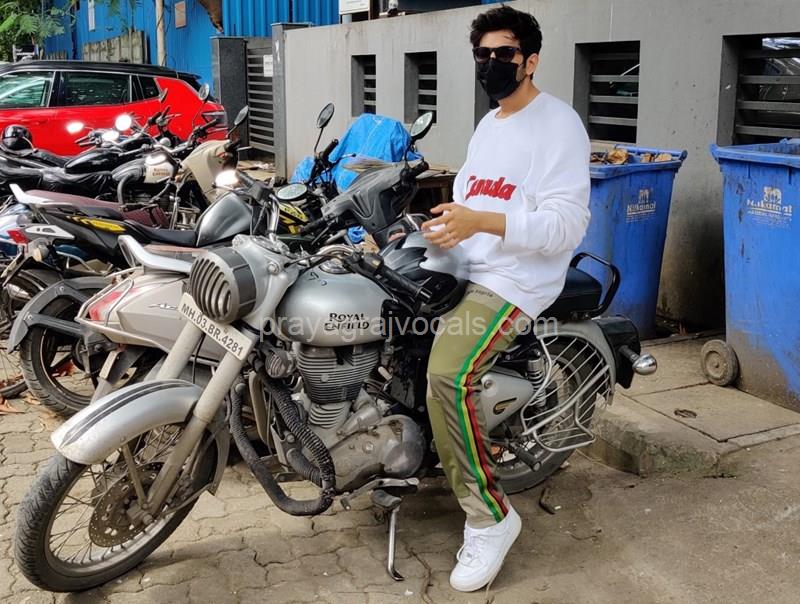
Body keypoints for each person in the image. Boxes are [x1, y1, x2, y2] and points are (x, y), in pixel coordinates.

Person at [422, 5, 591, 593]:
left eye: (504, 54)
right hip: (466, 262)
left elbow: (568, 225)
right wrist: (440, 228)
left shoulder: (559, 124)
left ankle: (489, 517)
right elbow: (472, 201)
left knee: (447, 374)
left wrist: (481, 223)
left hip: (515, 280)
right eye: (483, 55)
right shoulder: (490, 125)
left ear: (530, 60)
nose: (491, 63)